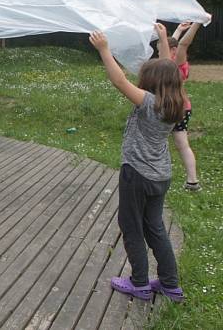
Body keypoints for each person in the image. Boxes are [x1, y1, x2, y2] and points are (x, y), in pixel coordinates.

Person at [90, 25, 185, 303]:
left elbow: (120, 81)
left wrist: (104, 50)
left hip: (138, 175)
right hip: (160, 176)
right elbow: (170, 70)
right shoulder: (175, 101)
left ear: (154, 83)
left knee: (131, 225)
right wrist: (164, 41)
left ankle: (140, 283)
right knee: (155, 227)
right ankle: (170, 285)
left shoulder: (149, 103)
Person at [164, 21, 203, 191]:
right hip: (181, 107)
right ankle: (192, 181)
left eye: (161, 48)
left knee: (164, 142)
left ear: (172, 51)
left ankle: (189, 179)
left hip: (175, 108)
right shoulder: (169, 60)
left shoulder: (177, 61)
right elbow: (171, 43)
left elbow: (183, 44)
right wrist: (179, 29)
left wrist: (197, 23)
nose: (160, 51)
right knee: (181, 143)